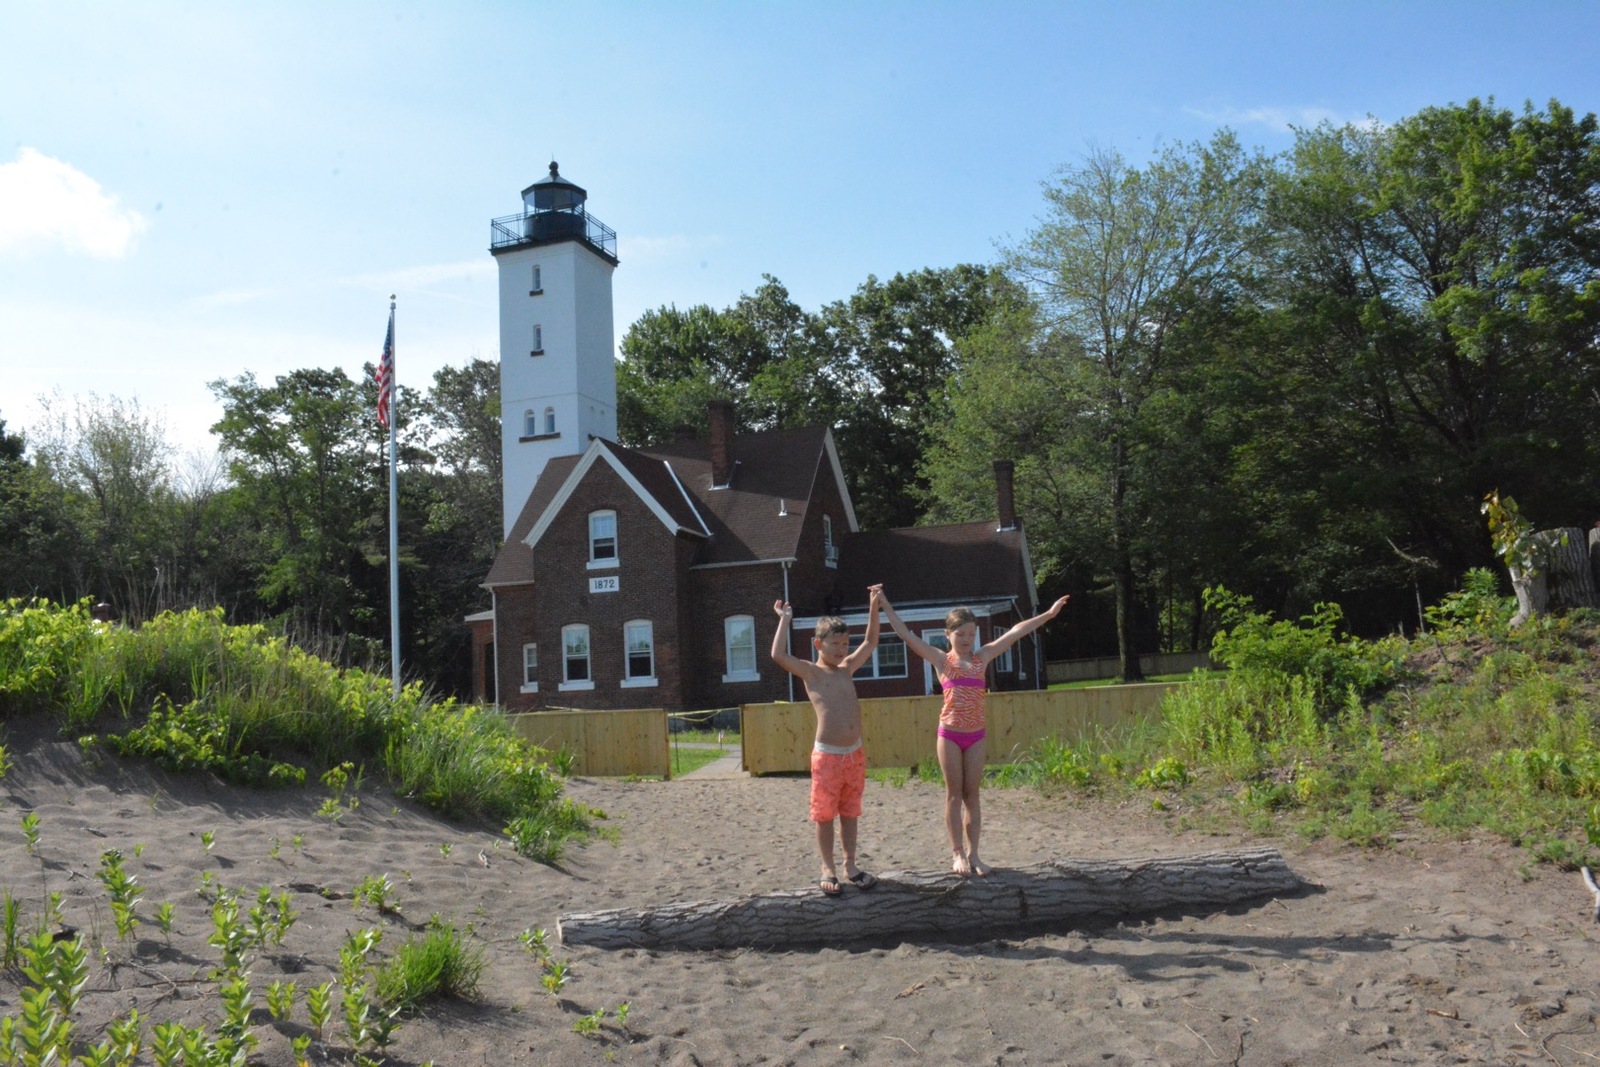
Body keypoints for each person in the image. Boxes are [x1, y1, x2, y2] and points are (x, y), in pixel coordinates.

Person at [879, 591, 1070, 876]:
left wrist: (1049, 615)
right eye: (961, 634)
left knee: (973, 795)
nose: (967, 639)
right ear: (948, 635)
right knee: (954, 794)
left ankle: (975, 854)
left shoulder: (982, 657)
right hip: (950, 736)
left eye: (971, 634)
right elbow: (906, 634)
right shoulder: (941, 660)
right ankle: (957, 854)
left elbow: (1016, 632)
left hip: (976, 735)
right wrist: (884, 603)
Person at [770, 586, 884, 897]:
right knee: (824, 815)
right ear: (818, 644)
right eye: (836, 644)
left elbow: (872, 641)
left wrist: (874, 606)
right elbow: (778, 655)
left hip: (854, 755)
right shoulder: (812, 673)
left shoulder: (847, 668)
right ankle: (827, 868)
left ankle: (850, 865)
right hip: (828, 757)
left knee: (850, 812)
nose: (842, 649)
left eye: (846, 643)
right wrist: (785, 619)